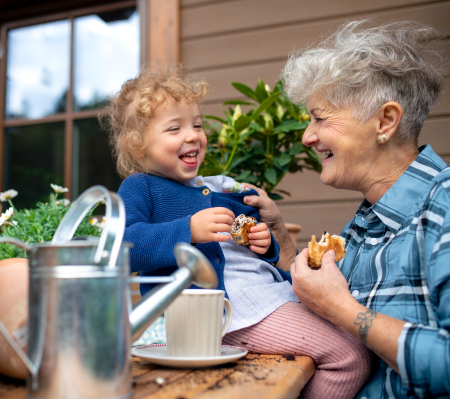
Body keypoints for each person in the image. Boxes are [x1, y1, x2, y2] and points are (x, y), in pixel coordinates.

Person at [103, 64, 371, 399]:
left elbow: (255, 242)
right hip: (226, 311)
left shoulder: (223, 186)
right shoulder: (139, 188)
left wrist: (264, 242)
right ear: (138, 144)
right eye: (174, 129)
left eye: (197, 125)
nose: (192, 135)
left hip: (268, 298)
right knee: (349, 356)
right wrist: (187, 230)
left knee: (349, 345)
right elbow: (124, 249)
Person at [242, 21, 450, 398]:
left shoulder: (444, 206)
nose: (307, 136)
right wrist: (283, 245)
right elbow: (319, 308)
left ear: (385, 121)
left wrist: (344, 310)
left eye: (319, 117)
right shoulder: (366, 222)